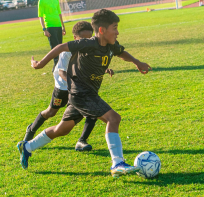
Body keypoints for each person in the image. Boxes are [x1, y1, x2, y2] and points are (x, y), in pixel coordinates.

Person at [17, 9, 152, 178]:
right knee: (114, 118)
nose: (117, 32)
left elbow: (121, 52)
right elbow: (61, 46)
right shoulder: (88, 44)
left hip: (84, 95)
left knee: (62, 129)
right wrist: (41, 64)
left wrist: (137, 62)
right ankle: (117, 163)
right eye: (115, 28)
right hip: (81, 93)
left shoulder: (110, 46)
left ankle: (27, 147)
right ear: (102, 30)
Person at [23, 21, 115, 151]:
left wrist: (105, 69)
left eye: (89, 38)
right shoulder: (67, 51)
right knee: (51, 112)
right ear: (75, 38)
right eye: (83, 39)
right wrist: (74, 83)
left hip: (79, 89)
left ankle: (82, 141)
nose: (87, 41)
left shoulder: (91, 49)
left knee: (92, 110)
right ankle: (31, 130)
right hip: (63, 88)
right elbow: (61, 71)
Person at [38, 0, 66, 71]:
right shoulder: (42, 0)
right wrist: (44, 29)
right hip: (50, 26)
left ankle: (58, 68)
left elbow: (59, 13)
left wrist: (63, 27)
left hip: (58, 26)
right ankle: (56, 69)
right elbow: (40, 16)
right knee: (55, 49)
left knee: (60, 48)